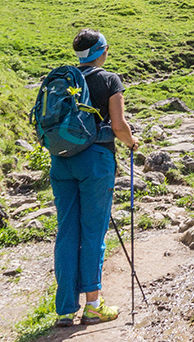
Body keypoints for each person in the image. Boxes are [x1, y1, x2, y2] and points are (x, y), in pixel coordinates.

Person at [51, 29, 139, 327]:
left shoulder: (64, 80)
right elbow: (119, 125)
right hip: (96, 161)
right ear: (102, 50)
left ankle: (64, 309)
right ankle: (93, 306)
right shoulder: (109, 79)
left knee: (66, 233)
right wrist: (131, 143)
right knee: (92, 232)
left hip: (61, 161)